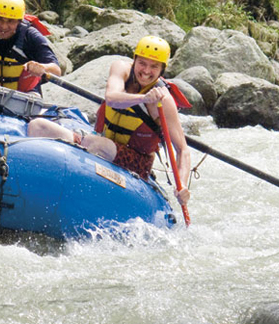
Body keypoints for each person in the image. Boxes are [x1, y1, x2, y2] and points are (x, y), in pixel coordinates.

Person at [27, 35, 191, 206]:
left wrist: (183, 185)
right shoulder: (120, 68)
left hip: (137, 160)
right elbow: (112, 98)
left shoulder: (164, 100)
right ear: (134, 60)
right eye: (142, 63)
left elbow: (182, 150)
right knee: (38, 126)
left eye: (154, 67)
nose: (146, 71)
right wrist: (143, 98)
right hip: (100, 141)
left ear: (162, 70)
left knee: (96, 144)